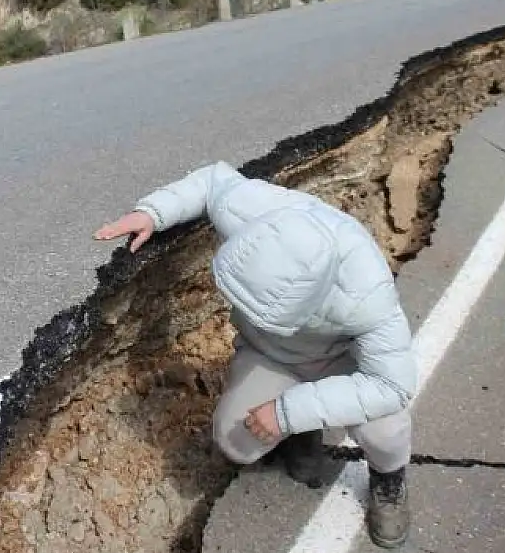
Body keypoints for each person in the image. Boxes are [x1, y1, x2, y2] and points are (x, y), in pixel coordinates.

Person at [93, 161, 417, 548]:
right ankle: (304, 435)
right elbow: (213, 181)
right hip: (272, 354)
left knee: (386, 430)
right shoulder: (257, 214)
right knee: (236, 442)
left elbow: (392, 386)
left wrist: (286, 413)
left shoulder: (369, 294)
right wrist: (153, 212)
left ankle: (389, 481)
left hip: (342, 363)